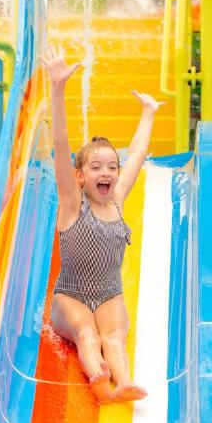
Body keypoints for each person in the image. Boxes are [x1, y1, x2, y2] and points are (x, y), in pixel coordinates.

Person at [40, 45, 162, 403]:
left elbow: (137, 152)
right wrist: (58, 88)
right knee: (88, 335)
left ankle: (122, 382)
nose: (106, 172)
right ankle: (97, 375)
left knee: (113, 338)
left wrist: (148, 112)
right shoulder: (72, 205)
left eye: (111, 166)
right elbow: (61, 145)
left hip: (109, 294)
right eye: (96, 167)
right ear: (79, 176)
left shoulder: (118, 198)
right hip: (71, 296)